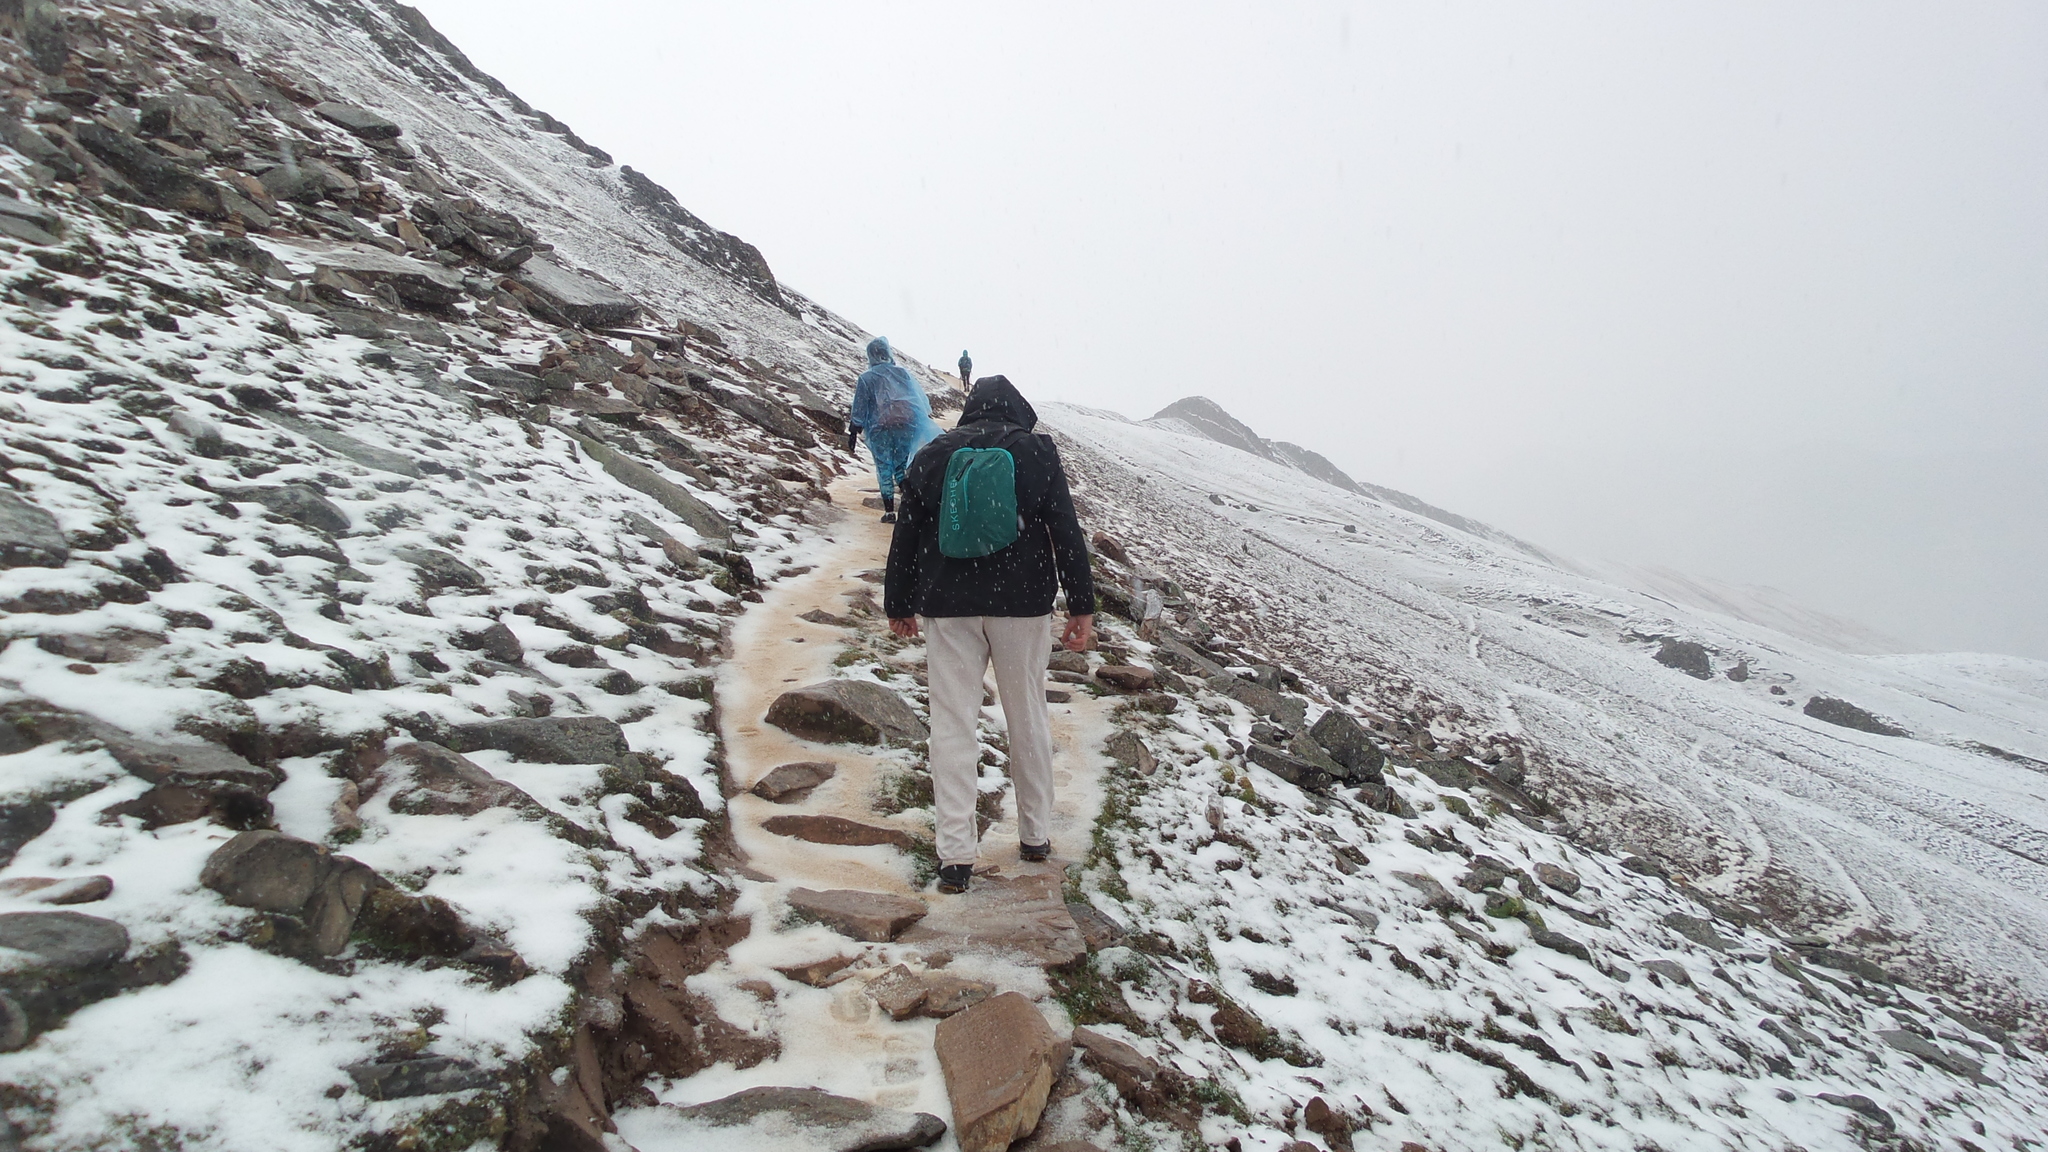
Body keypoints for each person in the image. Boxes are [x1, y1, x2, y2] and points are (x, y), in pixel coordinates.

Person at [883, 376, 1095, 894]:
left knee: (953, 724)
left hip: (947, 606)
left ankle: (955, 856)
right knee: (1026, 715)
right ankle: (1035, 835)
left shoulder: (933, 454)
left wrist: (899, 603)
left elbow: (907, 531)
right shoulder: (1036, 451)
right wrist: (1081, 606)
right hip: (1021, 605)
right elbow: (1065, 529)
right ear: (1018, 410)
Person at [847, 337, 941, 522]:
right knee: (901, 465)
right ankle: (910, 504)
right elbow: (916, 399)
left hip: (879, 428)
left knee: (883, 466)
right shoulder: (902, 373)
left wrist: (853, 430)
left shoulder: (867, 378)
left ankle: (889, 511)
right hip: (904, 425)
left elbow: (860, 407)